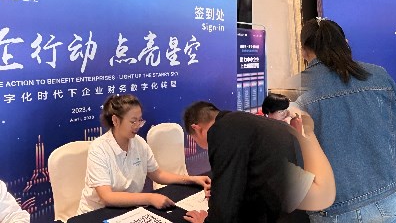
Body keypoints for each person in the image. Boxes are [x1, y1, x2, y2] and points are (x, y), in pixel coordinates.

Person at [296, 17, 396, 222]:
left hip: (333, 206)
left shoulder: (295, 88)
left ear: (303, 50)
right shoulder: (378, 75)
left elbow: (294, 152)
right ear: (345, 43)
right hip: (387, 194)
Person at [183, 100, 333, 222]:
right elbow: (246, 173)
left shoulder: (220, 131)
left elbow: (225, 209)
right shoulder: (243, 122)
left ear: (196, 128)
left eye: (195, 140)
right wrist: (218, 189)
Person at [77, 94, 210, 214]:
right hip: (96, 213)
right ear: (116, 121)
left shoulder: (139, 143)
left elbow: (158, 174)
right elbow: (107, 197)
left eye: (140, 120)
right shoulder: (99, 149)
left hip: (128, 209)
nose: (137, 125)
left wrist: (192, 179)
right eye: (133, 121)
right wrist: (150, 198)